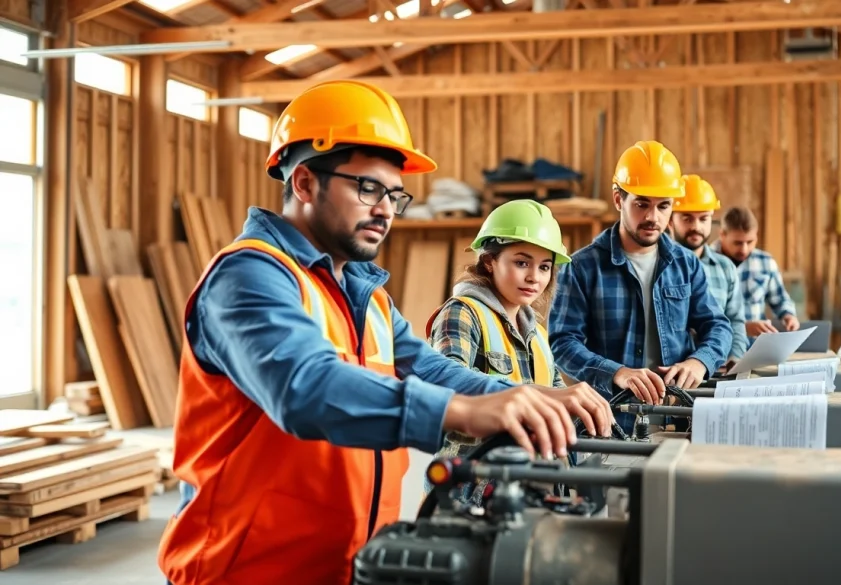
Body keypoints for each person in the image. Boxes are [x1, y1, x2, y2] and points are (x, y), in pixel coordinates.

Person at [156, 80, 612, 585]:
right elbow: (304, 387)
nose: (386, 210)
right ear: (304, 183)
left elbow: (431, 369)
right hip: (248, 570)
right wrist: (462, 412)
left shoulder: (365, 295)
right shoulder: (249, 275)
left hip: (352, 562)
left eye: (395, 195)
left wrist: (528, 396)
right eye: (368, 188)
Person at [548, 140, 732, 432]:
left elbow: (717, 325)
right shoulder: (581, 267)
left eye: (663, 206)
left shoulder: (686, 264)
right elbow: (562, 343)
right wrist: (616, 373)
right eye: (641, 204)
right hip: (608, 423)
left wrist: (700, 362)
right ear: (618, 199)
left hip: (679, 419)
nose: (652, 217)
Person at [425, 199, 574, 503]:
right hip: (469, 489)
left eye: (544, 267)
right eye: (522, 263)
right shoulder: (462, 313)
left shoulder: (538, 335)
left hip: (527, 485)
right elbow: (446, 384)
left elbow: (558, 396)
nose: (534, 277)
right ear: (490, 261)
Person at [669, 175, 747, 369]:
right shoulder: (657, 265)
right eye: (687, 218)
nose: (696, 226)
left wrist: (735, 357)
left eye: (703, 218)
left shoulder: (725, 268)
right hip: (669, 373)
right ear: (670, 220)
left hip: (716, 369)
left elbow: (735, 321)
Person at [710, 206, 800, 343]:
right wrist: (744, 328)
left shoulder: (765, 262)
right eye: (738, 243)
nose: (744, 249)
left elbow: (780, 299)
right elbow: (702, 320)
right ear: (722, 235)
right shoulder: (704, 263)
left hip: (757, 347)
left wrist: (789, 316)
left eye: (750, 242)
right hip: (719, 347)